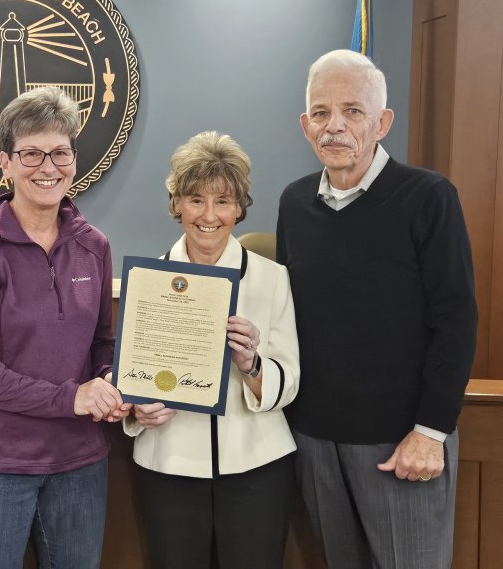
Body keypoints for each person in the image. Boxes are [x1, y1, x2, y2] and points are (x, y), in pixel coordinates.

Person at [276, 49, 477, 568]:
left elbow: (455, 319)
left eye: (353, 111)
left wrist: (431, 432)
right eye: (321, 113)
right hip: (316, 442)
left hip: (401, 444)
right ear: (305, 125)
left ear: (383, 122)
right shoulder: (294, 204)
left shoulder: (429, 197)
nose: (334, 126)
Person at [0, 86, 127, 569]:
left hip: (81, 461)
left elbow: (103, 343)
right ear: (4, 162)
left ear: (74, 158)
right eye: (30, 153)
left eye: (60, 152)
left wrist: (110, 381)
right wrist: (70, 398)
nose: (48, 166)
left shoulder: (95, 245)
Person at [124, 131, 300, 568]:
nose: (208, 215)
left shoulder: (272, 278)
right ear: (176, 204)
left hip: (258, 469)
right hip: (169, 468)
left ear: (240, 208)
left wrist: (252, 364)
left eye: (223, 201)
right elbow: (131, 380)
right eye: (195, 199)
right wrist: (136, 410)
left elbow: (291, 378)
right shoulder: (148, 282)